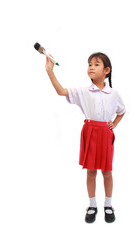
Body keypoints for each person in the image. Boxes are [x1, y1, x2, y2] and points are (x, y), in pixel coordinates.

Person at [45, 52, 125, 223]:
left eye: (96, 64)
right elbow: (61, 91)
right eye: (89, 64)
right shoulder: (83, 91)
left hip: (105, 133)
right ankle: (92, 205)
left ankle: (109, 205)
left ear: (107, 70)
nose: (91, 67)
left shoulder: (114, 93)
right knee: (90, 171)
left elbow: (122, 111)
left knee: (107, 171)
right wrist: (50, 72)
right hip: (89, 132)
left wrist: (115, 124)